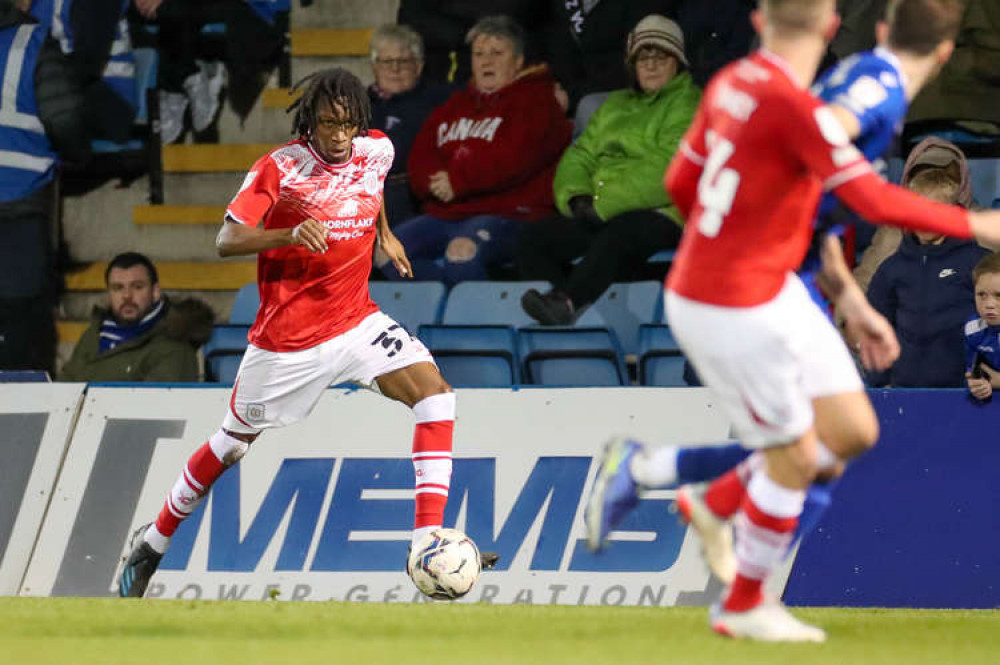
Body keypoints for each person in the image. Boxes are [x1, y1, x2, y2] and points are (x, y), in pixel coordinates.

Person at [585, 0, 1000, 642]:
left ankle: (697, 492)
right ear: (836, 30)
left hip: (766, 282)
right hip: (731, 295)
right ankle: (741, 598)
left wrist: (839, 289)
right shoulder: (813, 105)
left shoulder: (733, 84)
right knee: (801, 453)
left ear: (758, 22)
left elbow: (681, 183)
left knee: (853, 431)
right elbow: (863, 195)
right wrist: (976, 223)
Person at [117, 68, 495, 598]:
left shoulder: (376, 149)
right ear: (310, 122)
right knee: (230, 446)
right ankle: (153, 542)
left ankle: (427, 539)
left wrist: (384, 235)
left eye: (347, 124)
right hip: (288, 341)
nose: (338, 136)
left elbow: (372, 185)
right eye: (327, 124)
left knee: (436, 398)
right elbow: (227, 239)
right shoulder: (282, 168)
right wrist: (289, 232)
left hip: (356, 320)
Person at [518, 14, 700, 325]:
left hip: (664, 212)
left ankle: (569, 302)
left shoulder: (690, 102)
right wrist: (576, 197)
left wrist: (602, 204)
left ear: (678, 62)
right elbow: (580, 155)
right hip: (600, 210)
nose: (651, 65)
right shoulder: (614, 105)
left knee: (621, 233)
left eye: (661, 57)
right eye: (643, 57)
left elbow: (668, 167)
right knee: (533, 239)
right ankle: (564, 312)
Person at [381, 15, 572, 286]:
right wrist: (433, 183)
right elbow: (422, 156)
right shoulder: (455, 105)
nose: (486, 61)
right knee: (386, 253)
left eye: (497, 53)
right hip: (446, 213)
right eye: (479, 54)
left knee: (462, 252)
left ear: (518, 61)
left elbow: (516, 159)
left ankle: (470, 323)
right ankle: (443, 306)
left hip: (510, 213)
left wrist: (458, 181)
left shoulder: (539, 102)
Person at [0, 0, 89, 376]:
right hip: (21, 200)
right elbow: (64, 118)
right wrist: (80, 156)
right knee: (24, 321)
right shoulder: (32, 42)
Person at [866, 169, 988, 387]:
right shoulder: (892, 268)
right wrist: (879, 382)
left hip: (966, 390)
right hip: (905, 389)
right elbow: (875, 327)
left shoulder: (977, 263)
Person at [59, 252, 214, 382]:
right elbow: (63, 388)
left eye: (137, 287)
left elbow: (153, 410)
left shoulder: (175, 345)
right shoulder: (93, 335)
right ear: (109, 294)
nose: (127, 296)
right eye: (118, 288)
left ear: (155, 292)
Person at [367, 24, 454, 226]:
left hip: (411, 195)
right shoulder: (356, 102)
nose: (394, 69)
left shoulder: (439, 100)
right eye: (387, 61)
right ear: (374, 66)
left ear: (419, 66)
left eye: (403, 61)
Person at [964, 252, 1000, 402]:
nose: (989, 304)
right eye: (982, 295)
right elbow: (972, 373)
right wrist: (978, 386)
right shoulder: (973, 329)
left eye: (999, 295)